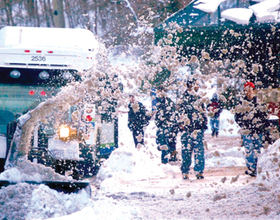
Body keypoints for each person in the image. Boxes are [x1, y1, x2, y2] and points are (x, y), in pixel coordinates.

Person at [235, 81, 268, 177]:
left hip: (257, 131)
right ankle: (251, 168)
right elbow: (237, 116)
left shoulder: (259, 102)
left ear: (254, 90)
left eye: (250, 90)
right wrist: (243, 124)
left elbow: (264, 115)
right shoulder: (241, 103)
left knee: (257, 149)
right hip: (247, 131)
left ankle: (258, 167)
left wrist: (260, 124)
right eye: (246, 90)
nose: (248, 92)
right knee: (249, 149)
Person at [178, 79, 208, 180]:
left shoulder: (199, 98)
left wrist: (204, 122)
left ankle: (199, 171)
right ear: (191, 86)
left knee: (199, 151)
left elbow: (203, 111)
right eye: (196, 85)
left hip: (198, 129)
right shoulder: (183, 98)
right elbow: (178, 113)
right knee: (186, 152)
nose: (198, 87)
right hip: (187, 130)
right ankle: (185, 171)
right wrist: (181, 124)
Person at [155, 86, 179, 164]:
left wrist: (166, 122)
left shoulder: (166, 102)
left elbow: (171, 114)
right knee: (165, 142)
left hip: (166, 125)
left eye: (158, 91)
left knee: (164, 142)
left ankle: (165, 160)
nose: (157, 93)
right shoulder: (160, 102)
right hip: (164, 125)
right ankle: (172, 154)